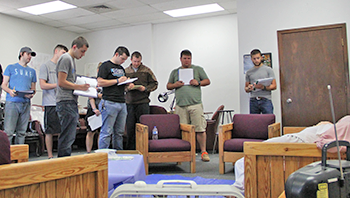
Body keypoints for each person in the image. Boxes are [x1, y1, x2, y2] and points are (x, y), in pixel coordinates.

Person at [233, 116, 350, 195]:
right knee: (244, 161)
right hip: (300, 137)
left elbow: (326, 140)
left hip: (298, 141)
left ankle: (239, 191)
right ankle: (239, 189)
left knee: (243, 161)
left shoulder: (346, 124)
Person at [166, 49, 211, 162]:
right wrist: (175, 85)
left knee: (200, 129)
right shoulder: (175, 72)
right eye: (185, 58)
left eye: (189, 58)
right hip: (181, 105)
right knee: (184, 131)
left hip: (195, 104)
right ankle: (186, 153)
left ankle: (203, 152)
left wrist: (198, 83)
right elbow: (168, 86)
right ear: (180, 59)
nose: (187, 60)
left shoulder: (198, 69)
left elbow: (207, 81)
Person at [56, 36, 90, 157]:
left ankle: (65, 161)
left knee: (69, 136)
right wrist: (79, 87)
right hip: (65, 101)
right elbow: (61, 82)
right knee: (67, 136)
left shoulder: (71, 60)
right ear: (74, 47)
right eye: (82, 51)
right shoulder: (66, 58)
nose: (83, 54)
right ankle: (63, 164)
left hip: (70, 100)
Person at [97, 46, 134, 150]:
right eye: (122, 59)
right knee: (107, 131)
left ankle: (118, 153)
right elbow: (100, 82)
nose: (123, 62)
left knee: (119, 132)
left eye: (125, 60)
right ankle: (103, 156)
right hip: (109, 102)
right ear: (116, 54)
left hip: (121, 102)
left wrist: (127, 85)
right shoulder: (105, 66)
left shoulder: (121, 69)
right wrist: (117, 81)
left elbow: (121, 85)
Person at [2, 47, 37, 144]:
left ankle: (19, 156)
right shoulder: (11, 67)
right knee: (8, 132)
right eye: (28, 54)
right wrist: (10, 91)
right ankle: (6, 156)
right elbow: (3, 84)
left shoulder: (32, 71)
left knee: (21, 132)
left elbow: (33, 88)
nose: (30, 57)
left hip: (25, 103)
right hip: (12, 103)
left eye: (31, 55)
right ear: (22, 54)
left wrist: (31, 94)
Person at [39, 44, 68, 159]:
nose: (64, 56)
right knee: (49, 131)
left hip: (62, 102)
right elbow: (42, 85)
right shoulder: (45, 66)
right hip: (50, 103)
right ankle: (50, 155)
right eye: (63, 53)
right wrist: (58, 85)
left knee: (63, 129)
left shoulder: (63, 67)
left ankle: (61, 154)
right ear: (56, 51)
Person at [125, 51, 158, 150]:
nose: (136, 63)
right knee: (130, 128)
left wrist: (146, 89)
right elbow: (120, 86)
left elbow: (155, 84)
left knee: (143, 127)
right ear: (131, 60)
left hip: (143, 102)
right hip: (129, 103)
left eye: (138, 61)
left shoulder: (146, 71)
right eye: (135, 61)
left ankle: (143, 148)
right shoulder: (125, 71)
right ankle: (130, 150)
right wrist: (127, 87)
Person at [245, 49, 276, 114]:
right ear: (251, 59)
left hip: (266, 99)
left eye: (258, 58)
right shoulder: (249, 72)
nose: (256, 60)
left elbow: (274, 86)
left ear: (261, 58)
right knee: (254, 122)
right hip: (253, 100)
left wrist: (263, 87)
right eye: (254, 59)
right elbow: (246, 88)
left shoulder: (268, 70)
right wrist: (249, 88)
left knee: (268, 121)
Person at [85, 62, 103, 153]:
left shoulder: (106, 82)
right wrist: (94, 109)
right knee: (90, 131)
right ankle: (88, 152)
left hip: (103, 109)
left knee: (101, 132)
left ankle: (100, 151)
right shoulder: (92, 81)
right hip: (92, 109)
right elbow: (91, 96)